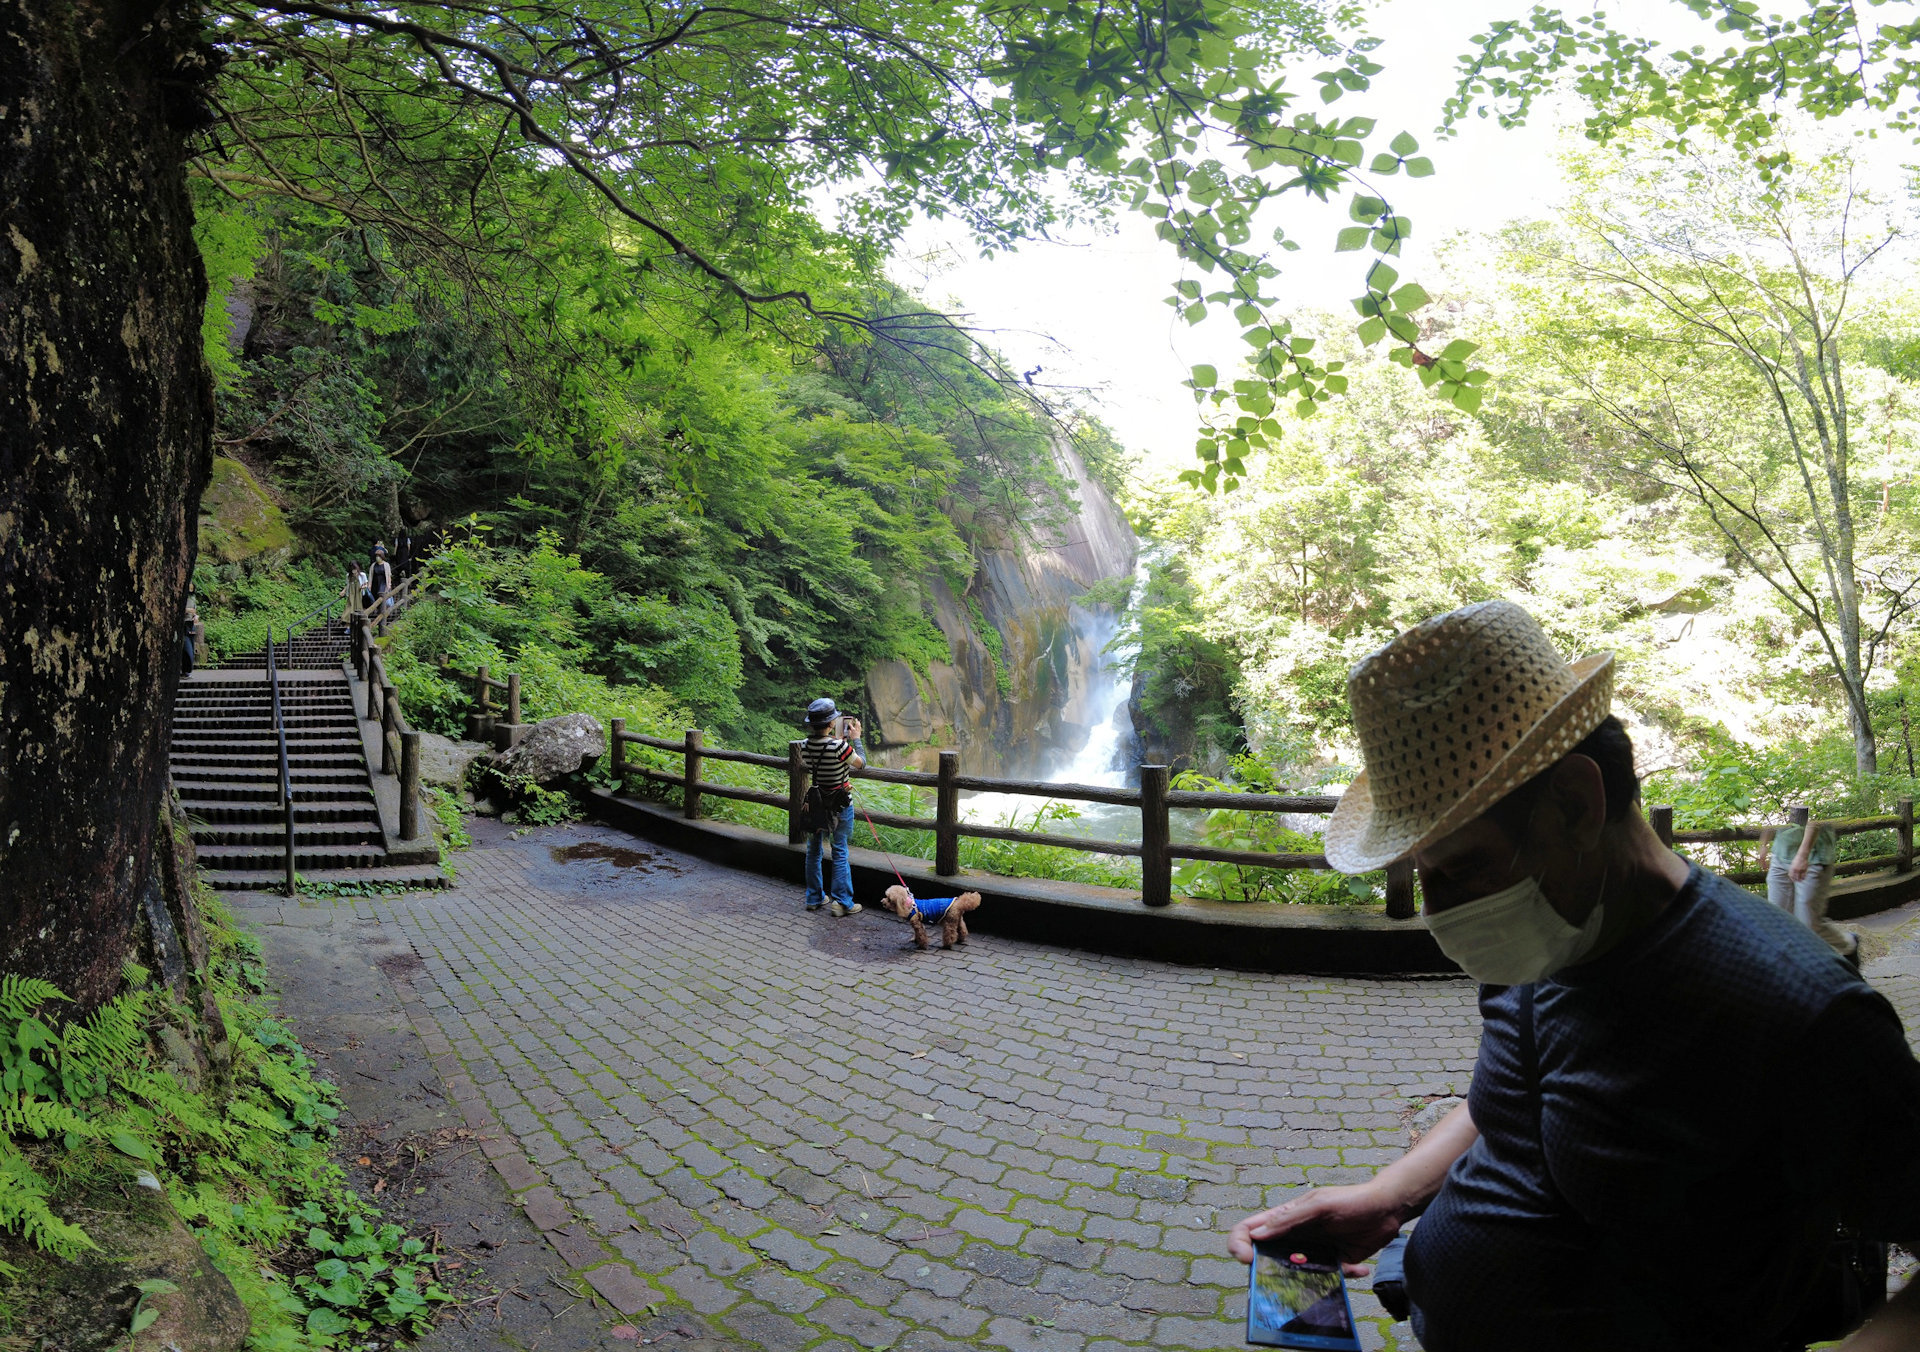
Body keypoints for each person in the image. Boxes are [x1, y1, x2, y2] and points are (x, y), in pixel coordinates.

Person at [1227, 599, 1920, 1352]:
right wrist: (1389, 1197)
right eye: (1424, 875)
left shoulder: (1801, 1013)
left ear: (1575, 803)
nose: (1440, 912)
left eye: (1458, 868)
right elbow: (1523, 1098)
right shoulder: (1544, 928)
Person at [800, 698, 865, 917]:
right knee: (839, 850)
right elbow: (861, 763)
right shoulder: (840, 746)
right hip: (839, 803)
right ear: (831, 723)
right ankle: (842, 902)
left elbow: (819, 760)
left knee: (813, 850)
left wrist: (835, 741)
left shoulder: (804, 746)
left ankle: (814, 898)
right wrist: (856, 740)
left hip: (816, 804)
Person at [1770, 815, 1859, 962]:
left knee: (1809, 925)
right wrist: (1763, 843)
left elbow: (1815, 815)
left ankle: (1848, 944)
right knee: (1777, 920)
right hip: (1780, 854)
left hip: (1814, 857)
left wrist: (1802, 855)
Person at [368, 543, 394, 611]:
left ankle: (383, 611)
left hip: (383, 583)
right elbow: (370, 576)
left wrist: (389, 584)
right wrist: (369, 585)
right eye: (376, 556)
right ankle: (377, 610)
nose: (377, 557)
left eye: (379, 556)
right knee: (375, 597)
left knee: (382, 595)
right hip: (375, 584)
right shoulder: (373, 565)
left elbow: (389, 575)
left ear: (382, 557)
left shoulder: (386, 565)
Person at [180, 585, 199, 674]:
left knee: (191, 648)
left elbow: (195, 611)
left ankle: (188, 670)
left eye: (192, 587)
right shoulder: (182, 595)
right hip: (183, 623)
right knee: (186, 648)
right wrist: (188, 610)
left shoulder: (193, 597)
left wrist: (195, 616)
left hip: (191, 624)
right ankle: (186, 670)